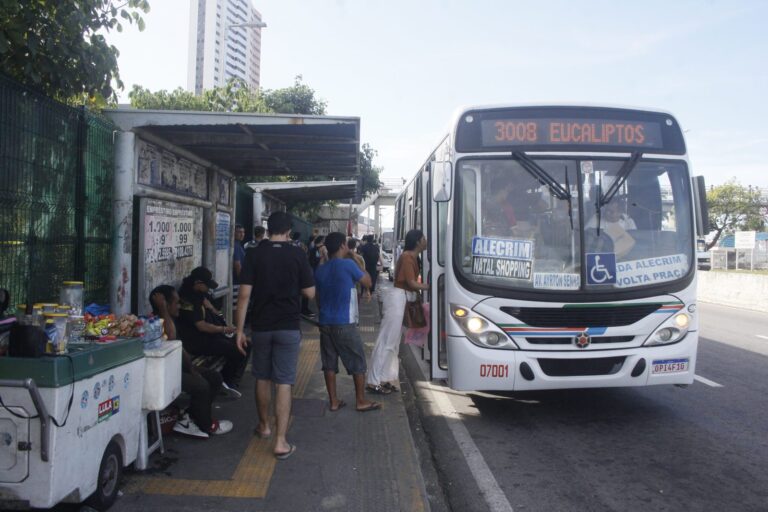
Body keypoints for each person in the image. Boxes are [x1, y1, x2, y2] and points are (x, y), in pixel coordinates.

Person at [235, 211, 315, 460]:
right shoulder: (298, 254)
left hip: (261, 326)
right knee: (284, 381)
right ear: (289, 231)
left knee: (262, 376)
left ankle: (264, 426)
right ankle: (281, 442)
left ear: (268, 229)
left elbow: (245, 295)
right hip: (288, 326)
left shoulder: (255, 253)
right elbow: (310, 293)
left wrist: (239, 331)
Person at [150, 285, 233, 438]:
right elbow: (172, 337)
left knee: (214, 378)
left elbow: (182, 351)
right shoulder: (154, 322)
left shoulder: (174, 319)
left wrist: (193, 369)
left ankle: (191, 418)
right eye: (176, 303)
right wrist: (163, 308)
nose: (179, 306)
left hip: (177, 368)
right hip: (163, 374)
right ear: (166, 305)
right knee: (200, 385)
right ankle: (206, 425)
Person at [314, 232, 381, 413]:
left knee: (329, 363)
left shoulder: (320, 269)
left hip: (325, 322)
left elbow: (317, 298)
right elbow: (367, 281)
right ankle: (360, 401)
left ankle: (334, 401)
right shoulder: (348, 265)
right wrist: (354, 257)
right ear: (343, 245)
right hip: (344, 322)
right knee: (357, 361)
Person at [366, 229, 429, 394]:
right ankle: (373, 380)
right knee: (387, 340)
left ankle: (385, 378)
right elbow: (411, 282)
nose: (426, 240)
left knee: (393, 343)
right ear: (417, 241)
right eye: (424, 238)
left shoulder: (412, 257)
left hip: (402, 300)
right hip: (398, 300)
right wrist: (430, 286)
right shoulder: (408, 257)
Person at [177, 266, 248, 398]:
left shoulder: (201, 295)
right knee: (235, 349)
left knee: (245, 344)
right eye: (206, 285)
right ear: (198, 283)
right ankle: (227, 381)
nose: (208, 289)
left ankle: (232, 380)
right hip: (197, 341)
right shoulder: (187, 299)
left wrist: (211, 308)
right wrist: (224, 329)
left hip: (210, 335)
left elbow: (215, 313)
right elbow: (201, 326)